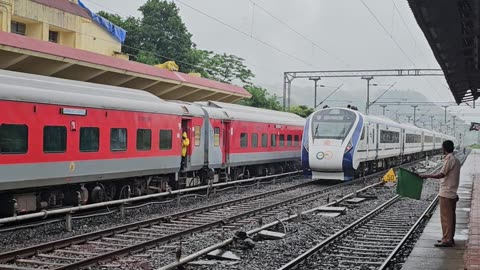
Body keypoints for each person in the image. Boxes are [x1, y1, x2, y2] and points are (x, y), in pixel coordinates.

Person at [420, 140, 460, 247]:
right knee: (450, 217)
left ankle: (447, 240)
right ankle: (448, 238)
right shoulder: (455, 159)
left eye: (442, 147)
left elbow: (441, 174)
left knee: (446, 218)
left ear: (445, 148)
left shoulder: (450, 159)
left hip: (447, 193)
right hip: (452, 192)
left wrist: (427, 175)